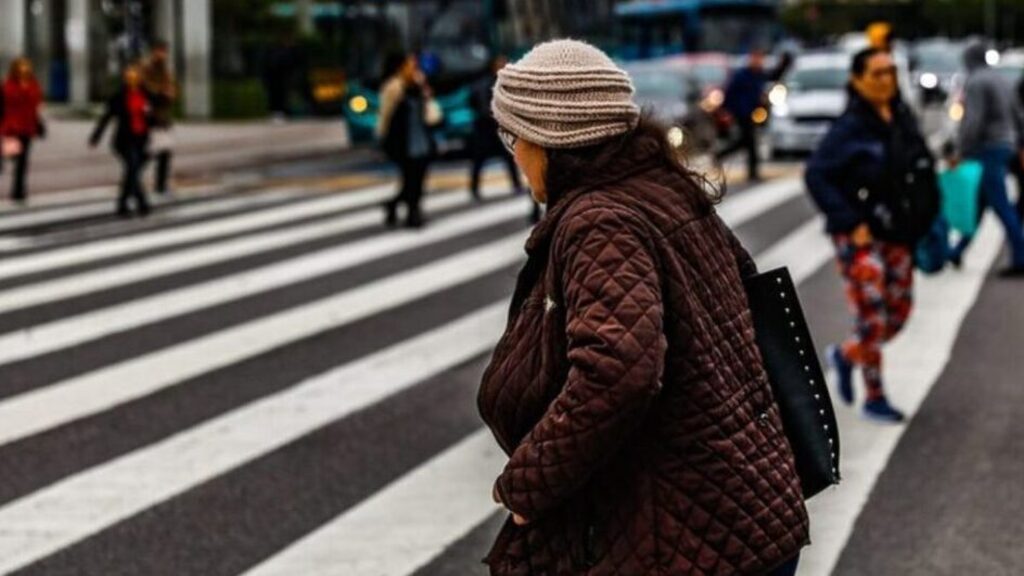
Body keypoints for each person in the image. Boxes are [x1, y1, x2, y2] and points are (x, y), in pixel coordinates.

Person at [478, 39, 808, 576]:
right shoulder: (666, 189)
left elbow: (618, 371)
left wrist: (528, 485)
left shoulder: (599, 221)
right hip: (746, 510)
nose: (514, 154)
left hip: (681, 534)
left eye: (514, 136)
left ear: (551, 140)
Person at [805, 48, 939, 423]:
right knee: (872, 316)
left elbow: (919, 166)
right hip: (860, 237)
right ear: (858, 80)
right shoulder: (848, 128)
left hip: (898, 232)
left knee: (898, 315)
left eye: (890, 72)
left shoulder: (901, 118)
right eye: (877, 73)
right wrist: (849, 221)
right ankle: (874, 397)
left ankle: (846, 355)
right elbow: (816, 175)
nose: (886, 80)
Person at [947, 43, 1024, 277]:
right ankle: (957, 251)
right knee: (978, 203)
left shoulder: (976, 82)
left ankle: (1020, 257)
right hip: (1006, 144)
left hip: (987, 147)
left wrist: (961, 148)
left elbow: (974, 120)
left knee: (1001, 205)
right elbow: (1016, 114)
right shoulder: (1000, 79)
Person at [377, 53, 442, 229]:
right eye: (410, 64)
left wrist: (424, 89)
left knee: (416, 181)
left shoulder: (420, 84)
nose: (414, 67)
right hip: (403, 142)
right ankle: (413, 214)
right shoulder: (393, 87)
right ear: (401, 67)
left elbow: (430, 109)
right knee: (410, 180)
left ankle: (393, 205)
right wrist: (383, 138)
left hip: (421, 140)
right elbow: (385, 114)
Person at [90, 65, 152, 217]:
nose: (132, 80)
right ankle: (137, 203)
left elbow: (154, 112)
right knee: (132, 168)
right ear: (125, 79)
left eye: (135, 77)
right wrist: (96, 136)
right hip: (124, 139)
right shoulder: (119, 96)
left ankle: (128, 203)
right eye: (129, 77)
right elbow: (106, 116)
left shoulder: (145, 95)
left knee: (132, 172)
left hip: (141, 138)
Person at [716, 49, 767, 181]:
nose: (759, 62)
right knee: (750, 142)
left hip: (752, 112)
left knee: (746, 141)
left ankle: (720, 155)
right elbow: (729, 93)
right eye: (756, 58)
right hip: (742, 112)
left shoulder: (759, 74)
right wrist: (726, 110)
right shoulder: (742, 75)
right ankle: (752, 172)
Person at [1, 57, 45, 203]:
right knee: (11, 156)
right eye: (21, 66)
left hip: (27, 127)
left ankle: (18, 192)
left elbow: (36, 107)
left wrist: (39, 124)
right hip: (11, 128)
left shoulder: (33, 85)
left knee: (22, 161)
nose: (24, 69)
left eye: (26, 66)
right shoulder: (7, 85)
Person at [142, 40, 177, 195]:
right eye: (160, 51)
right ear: (153, 51)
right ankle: (133, 181)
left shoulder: (165, 70)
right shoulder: (146, 68)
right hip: (149, 117)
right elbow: (146, 90)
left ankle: (161, 185)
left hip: (162, 118)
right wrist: (162, 93)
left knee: (164, 152)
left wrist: (169, 94)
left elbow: (171, 91)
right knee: (147, 153)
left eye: (164, 51)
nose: (162, 54)